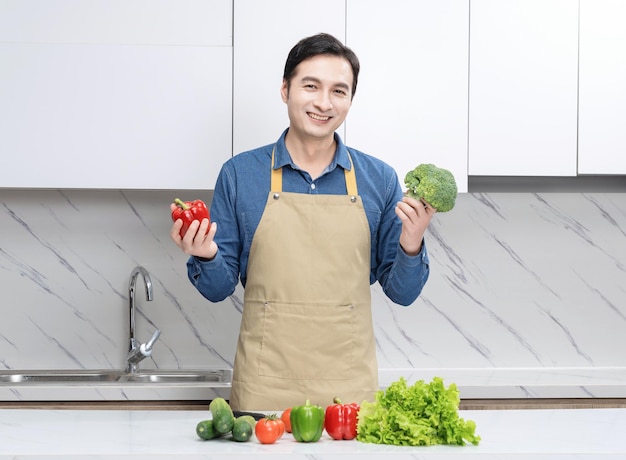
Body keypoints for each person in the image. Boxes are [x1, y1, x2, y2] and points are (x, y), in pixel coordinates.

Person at [170, 33, 435, 411]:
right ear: (285, 89)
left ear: (350, 100)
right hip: (263, 395)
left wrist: (412, 243)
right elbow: (217, 289)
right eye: (311, 86)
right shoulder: (240, 174)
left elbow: (403, 294)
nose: (324, 103)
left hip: (349, 400)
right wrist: (206, 254)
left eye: (339, 91)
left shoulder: (379, 179)